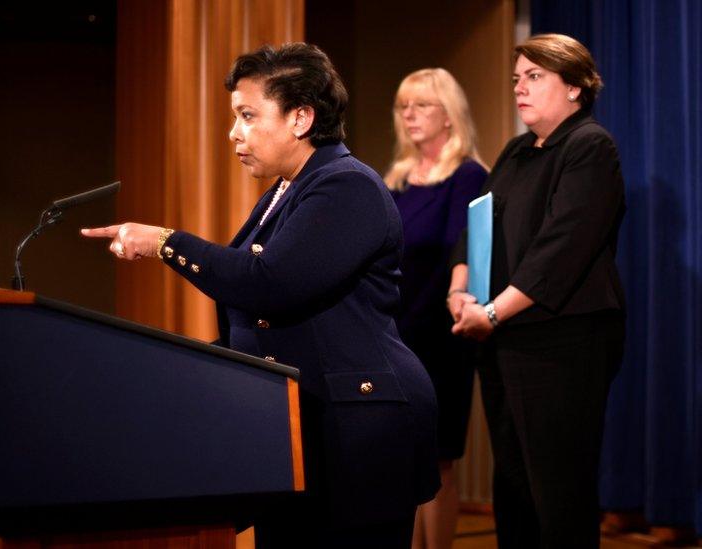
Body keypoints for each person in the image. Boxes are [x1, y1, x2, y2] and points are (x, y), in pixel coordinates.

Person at [82, 43, 439, 548]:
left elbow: (268, 283)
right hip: (305, 426)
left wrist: (165, 241)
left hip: (358, 434)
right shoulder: (286, 188)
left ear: (301, 117)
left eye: (248, 116)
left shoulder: (346, 186)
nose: (234, 133)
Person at [448, 34, 625, 548]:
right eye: (515, 80)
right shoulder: (517, 150)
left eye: (534, 78)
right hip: (505, 339)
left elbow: (560, 250)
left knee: (558, 489)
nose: (519, 90)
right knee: (515, 484)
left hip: (563, 342)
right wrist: (459, 292)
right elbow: (474, 228)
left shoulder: (590, 147)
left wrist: (494, 313)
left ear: (575, 87)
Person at [385, 68, 488, 549]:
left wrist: (405, 329)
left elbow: (457, 255)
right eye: (404, 105)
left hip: (437, 337)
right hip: (391, 336)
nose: (409, 114)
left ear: (449, 116)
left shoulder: (468, 175)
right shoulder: (398, 181)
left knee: (437, 459)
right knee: (400, 458)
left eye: (421, 105)